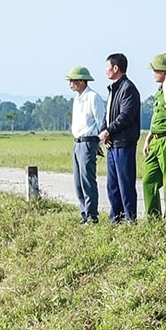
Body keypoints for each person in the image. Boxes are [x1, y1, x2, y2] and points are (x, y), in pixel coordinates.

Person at [103, 54, 142, 223]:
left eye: (107, 67)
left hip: (124, 143)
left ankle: (130, 219)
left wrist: (108, 131)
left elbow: (125, 116)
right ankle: (116, 218)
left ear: (116, 68)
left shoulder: (128, 89)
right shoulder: (113, 89)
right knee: (113, 185)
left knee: (125, 184)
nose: (105, 71)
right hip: (112, 144)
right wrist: (104, 131)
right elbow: (108, 115)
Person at [143, 53, 166, 226]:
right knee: (148, 181)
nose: (152, 74)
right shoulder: (160, 92)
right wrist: (148, 139)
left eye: (155, 70)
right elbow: (156, 117)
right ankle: (153, 218)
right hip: (156, 139)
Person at [66, 65, 105, 223]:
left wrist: (99, 142)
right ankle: (84, 213)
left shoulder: (93, 97)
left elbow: (101, 120)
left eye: (73, 81)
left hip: (89, 141)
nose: (70, 84)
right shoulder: (77, 99)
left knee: (87, 179)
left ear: (82, 81)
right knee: (78, 181)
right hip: (77, 142)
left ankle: (91, 215)